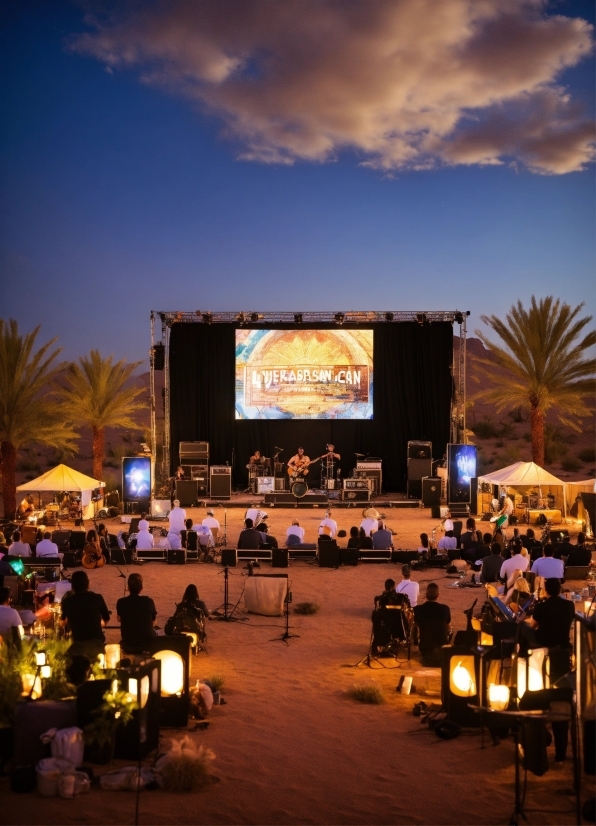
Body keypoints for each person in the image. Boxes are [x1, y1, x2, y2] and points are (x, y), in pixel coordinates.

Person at [526, 578, 575, 763]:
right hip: (562, 655)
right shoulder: (569, 606)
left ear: (545, 591)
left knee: (542, 699)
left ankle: (539, 739)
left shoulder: (541, 607)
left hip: (543, 655)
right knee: (561, 701)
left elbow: (533, 627)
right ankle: (561, 753)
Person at [60, 571, 110, 660]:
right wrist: (98, 623)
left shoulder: (67, 601)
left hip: (78, 646)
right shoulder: (97, 598)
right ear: (88, 583)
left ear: (72, 586)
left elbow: (62, 622)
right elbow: (106, 618)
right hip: (97, 644)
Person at [117, 573, 157, 655]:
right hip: (147, 643)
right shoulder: (148, 601)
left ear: (127, 588)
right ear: (141, 588)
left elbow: (119, 619)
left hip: (128, 643)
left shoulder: (121, 602)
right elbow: (154, 621)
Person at [413, 583, 451, 667]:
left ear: (425, 595)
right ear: (438, 595)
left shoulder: (418, 609)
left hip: (425, 647)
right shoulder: (445, 609)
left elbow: (414, 629)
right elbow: (449, 629)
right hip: (442, 646)